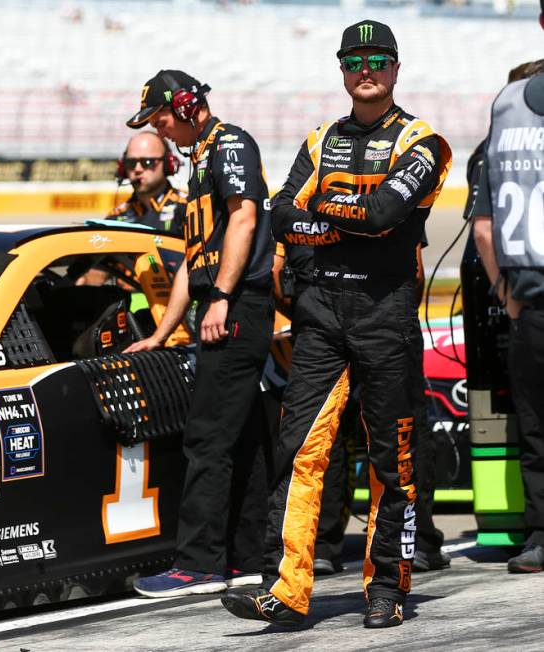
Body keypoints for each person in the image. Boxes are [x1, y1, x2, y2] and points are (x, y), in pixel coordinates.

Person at [221, 20, 451, 628]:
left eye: (377, 59)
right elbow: (281, 214)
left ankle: (387, 588)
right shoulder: (321, 137)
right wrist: (335, 222)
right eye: (354, 59)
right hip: (321, 314)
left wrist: (323, 211)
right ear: (342, 69)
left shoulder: (425, 142)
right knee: (298, 449)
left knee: (390, 459)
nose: (365, 69)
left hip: (386, 313)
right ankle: (287, 589)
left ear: (397, 68)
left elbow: (383, 214)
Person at [122, 70, 276, 596]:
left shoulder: (229, 143)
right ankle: (245, 558)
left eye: (161, 117)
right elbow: (194, 258)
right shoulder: (201, 160)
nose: (160, 130)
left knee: (207, 437)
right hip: (226, 305)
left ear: (186, 105)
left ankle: (197, 564)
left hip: (237, 307)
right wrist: (163, 332)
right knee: (243, 437)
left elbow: (244, 220)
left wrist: (224, 296)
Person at [274, 238, 451, 576]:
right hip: (384, 326)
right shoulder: (389, 193)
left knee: (327, 433)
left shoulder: (305, 197)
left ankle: (324, 544)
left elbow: (276, 275)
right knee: (400, 435)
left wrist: (309, 314)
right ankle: (418, 541)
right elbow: (414, 272)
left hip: (322, 330)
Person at [471, 12, 544, 573]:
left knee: (535, 429)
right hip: (524, 297)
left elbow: (484, 228)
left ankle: (542, 536)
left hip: (528, 299)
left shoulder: (504, 112)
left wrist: (507, 292)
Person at [110, 131, 186, 234]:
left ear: (168, 165)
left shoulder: (188, 209)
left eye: (147, 162)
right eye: (131, 163)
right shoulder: (114, 218)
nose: (137, 169)